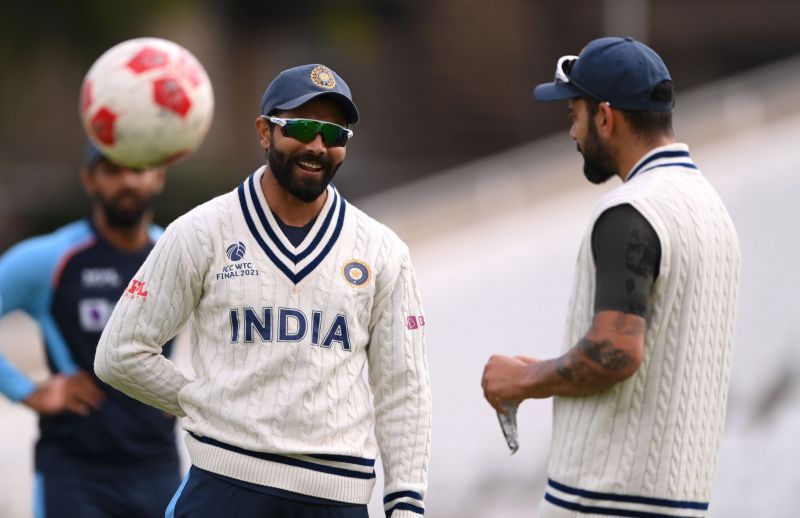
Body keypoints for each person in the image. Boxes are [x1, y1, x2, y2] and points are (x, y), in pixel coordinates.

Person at [95, 64, 432, 518]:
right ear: (264, 132)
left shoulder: (382, 250)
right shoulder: (201, 231)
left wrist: (406, 501)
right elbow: (120, 352)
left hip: (337, 499)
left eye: (333, 135)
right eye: (302, 127)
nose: (317, 146)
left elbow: (403, 387)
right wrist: (207, 404)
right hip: (224, 488)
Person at [481, 37, 740, 517]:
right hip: (679, 504)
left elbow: (617, 351)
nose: (573, 133)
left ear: (605, 116)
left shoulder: (630, 209)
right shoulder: (712, 211)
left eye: (573, 115)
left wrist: (523, 380)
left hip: (604, 501)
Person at [0, 145, 180, 517]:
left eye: (139, 168)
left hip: (158, 470)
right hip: (75, 474)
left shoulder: (176, 254)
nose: (127, 181)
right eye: (113, 170)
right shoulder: (53, 258)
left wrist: (191, 389)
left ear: (158, 176)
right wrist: (26, 391)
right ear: (90, 179)